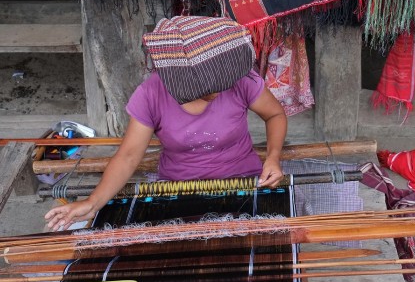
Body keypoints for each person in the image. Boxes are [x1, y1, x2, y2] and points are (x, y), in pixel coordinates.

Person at [45, 16, 287, 231]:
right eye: (211, 87)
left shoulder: (238, 79)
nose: (220, 90)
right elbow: (128, 156)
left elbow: (275, 115)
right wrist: (92, 202)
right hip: (176, 192)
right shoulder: (151, 93)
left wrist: (273, 157)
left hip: (244, 182)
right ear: (184, 81)